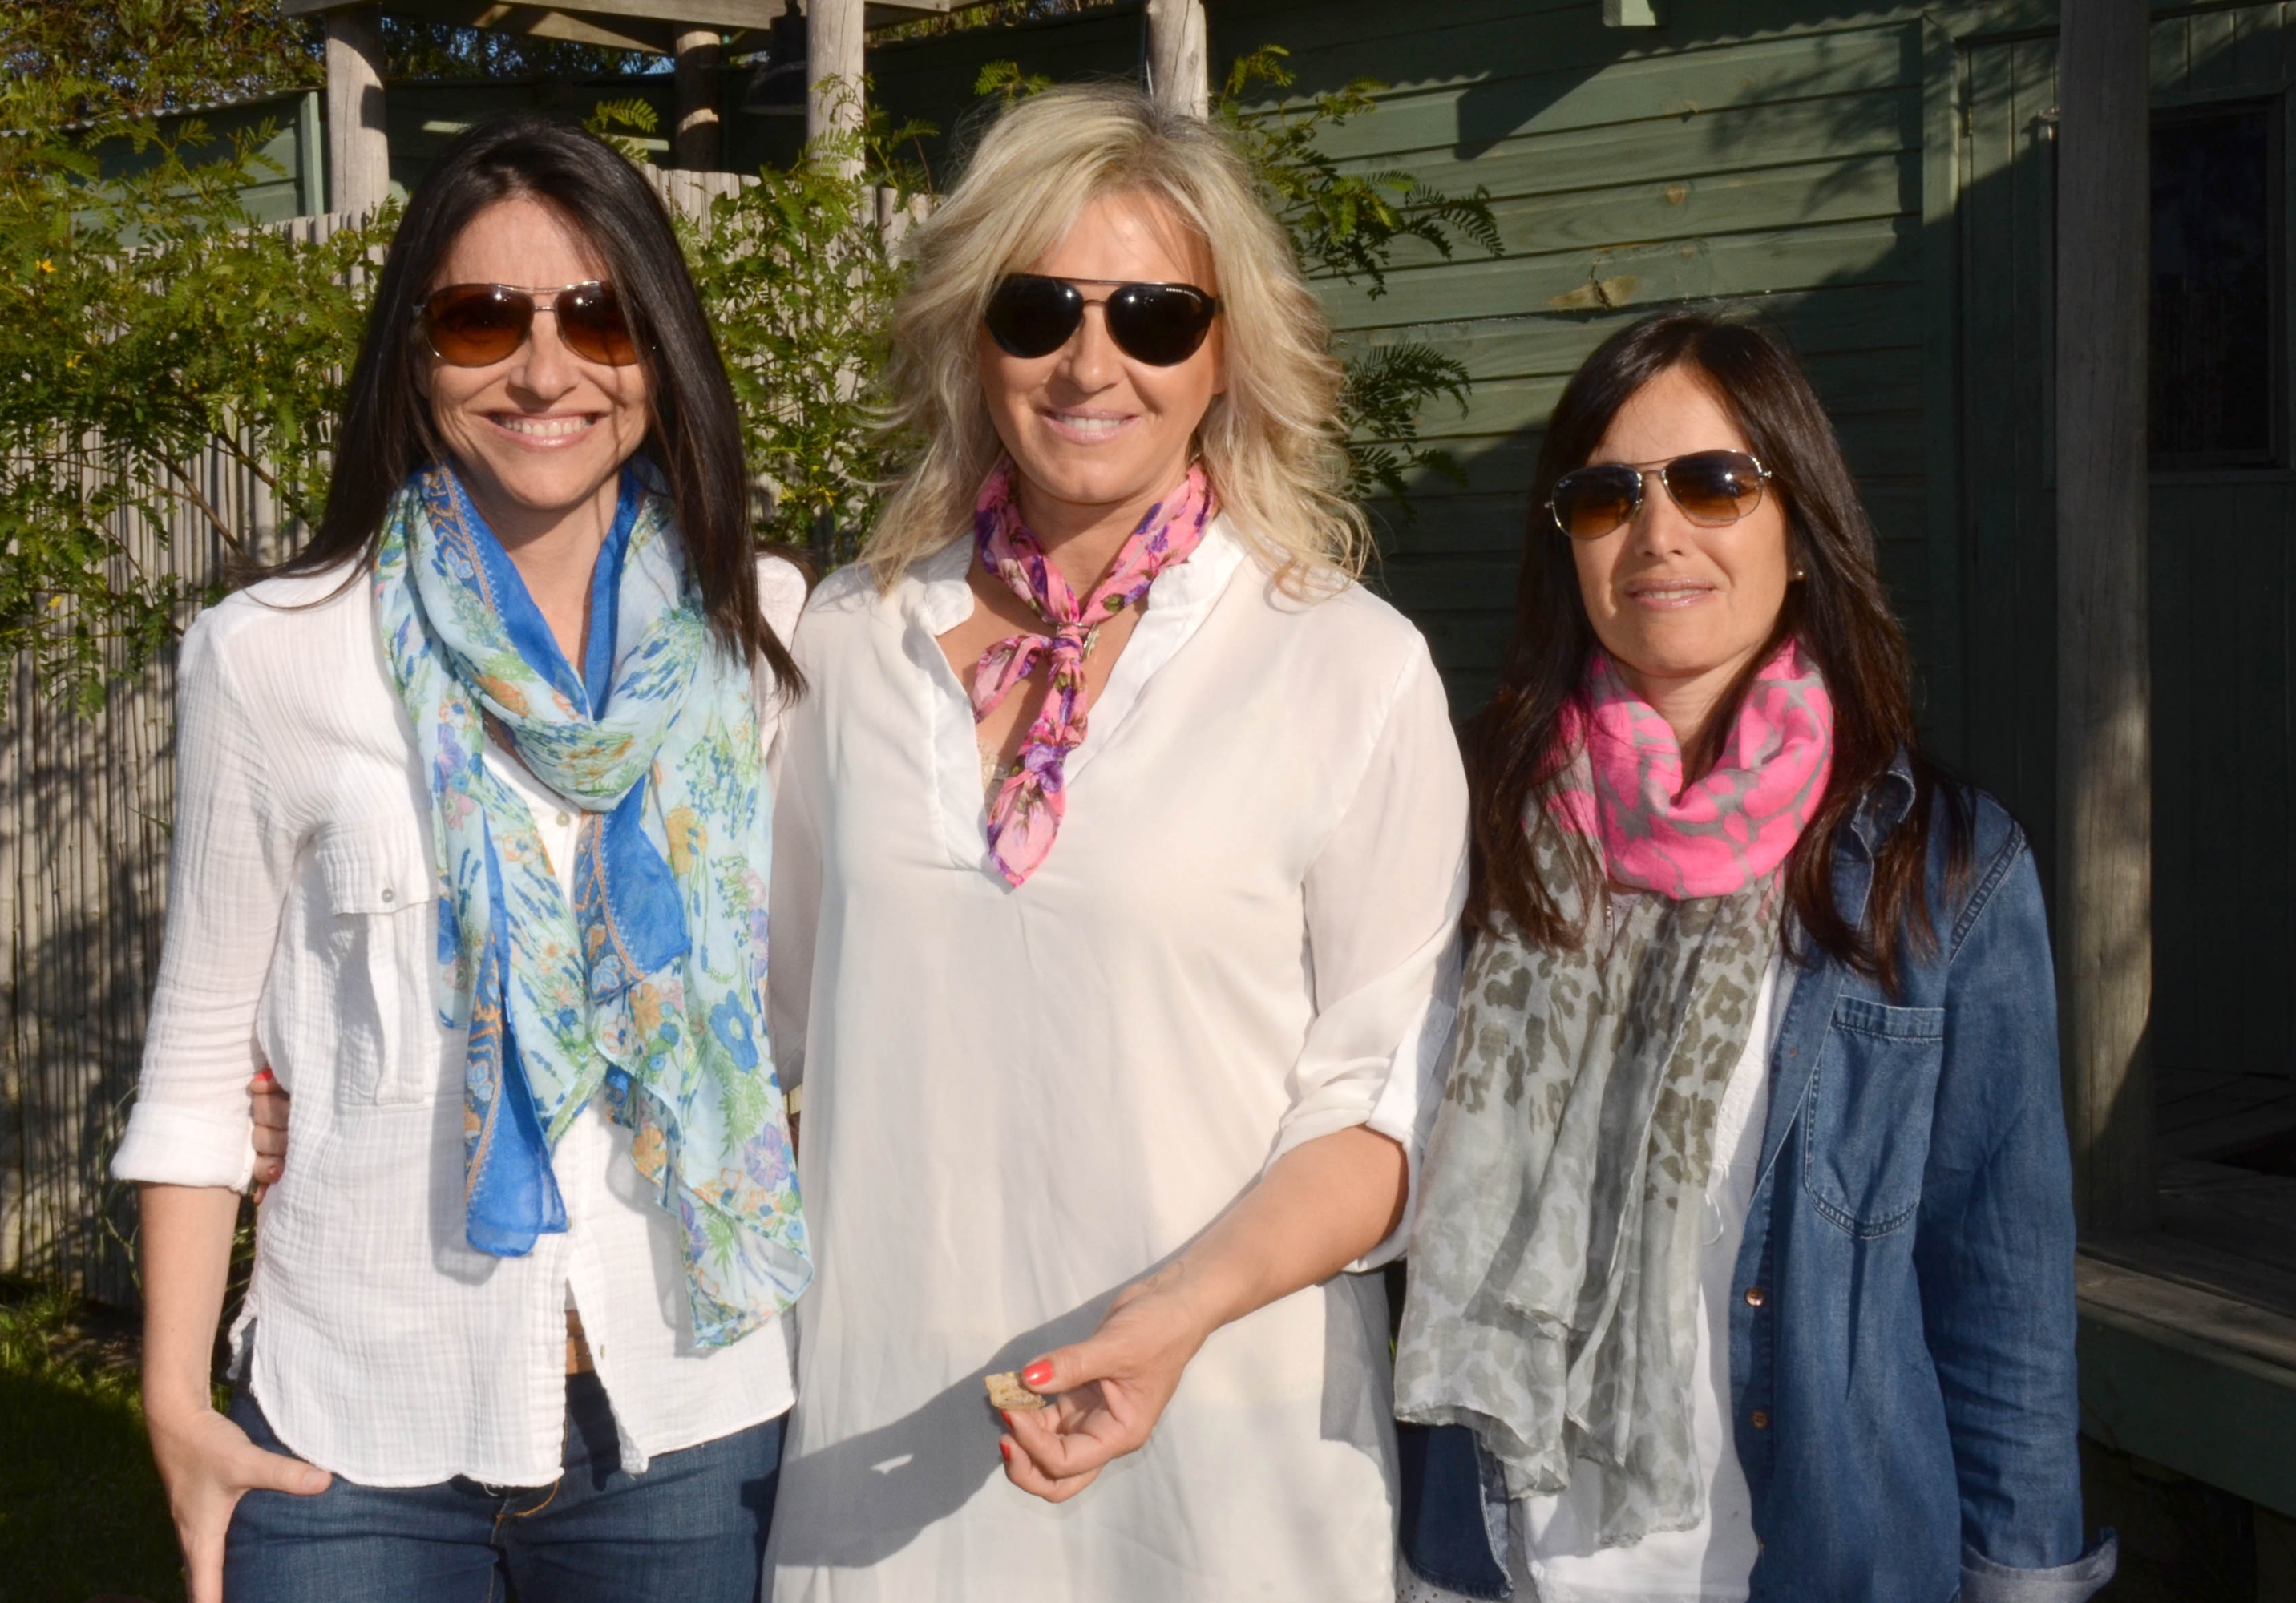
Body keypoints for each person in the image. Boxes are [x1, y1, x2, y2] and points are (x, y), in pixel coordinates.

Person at [756, 83, 1469, 1601]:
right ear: (973, 338)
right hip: (878, 1484)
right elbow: (747, 1027)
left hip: (1227, 1488)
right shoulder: (847, 644)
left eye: (1153, 316)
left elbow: (1387, 1114)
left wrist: (1171, 1315)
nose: (1092, 363)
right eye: (1040, 310)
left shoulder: (1348, 665)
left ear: (1226, 352)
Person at [111, 115, 807, 1603]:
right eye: (485, 318)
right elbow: (198, 1058)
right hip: (355, 1434)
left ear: (659, 346)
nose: (544, 372)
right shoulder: (273, 654)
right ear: (415, 354)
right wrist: (174, 1407)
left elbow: (820, 1008)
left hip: (690, 1416)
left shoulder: (764, 639)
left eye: (598, 316)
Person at [1389, 312, 2116, 1603]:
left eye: (1714, 483)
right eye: (1607, 496)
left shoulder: (1941, 869)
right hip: (1505, 1560)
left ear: (1802, 521)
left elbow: (1999, 1284)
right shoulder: (1462, 825)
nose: (1658, 533)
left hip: (1821, 1562)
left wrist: (2025, 1579)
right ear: (1566, 545)